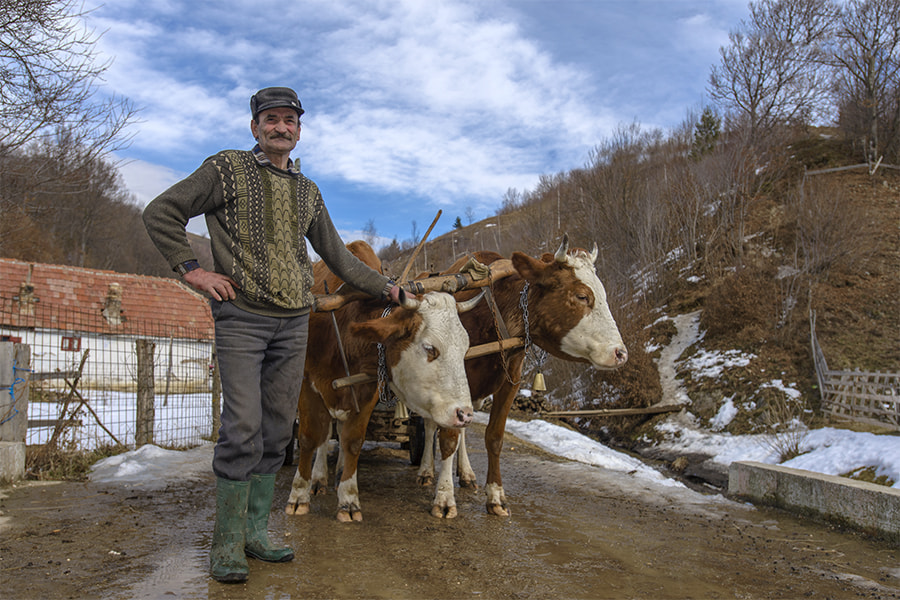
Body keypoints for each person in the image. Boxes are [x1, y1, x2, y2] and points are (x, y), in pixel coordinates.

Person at [142, 86, 404, 583]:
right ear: (255, 126)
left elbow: (340, 259)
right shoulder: (226, 170)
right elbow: (161, 212)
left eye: (290, 120)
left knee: (279, 429)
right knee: (242, 427)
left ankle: (256, 534)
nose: (281, 127)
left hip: (294, 323)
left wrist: (389, 289)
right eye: (272, 119)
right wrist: (193, 270)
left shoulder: (308, 191)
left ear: (299, 129)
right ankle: (225, 545)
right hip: (242, 318)